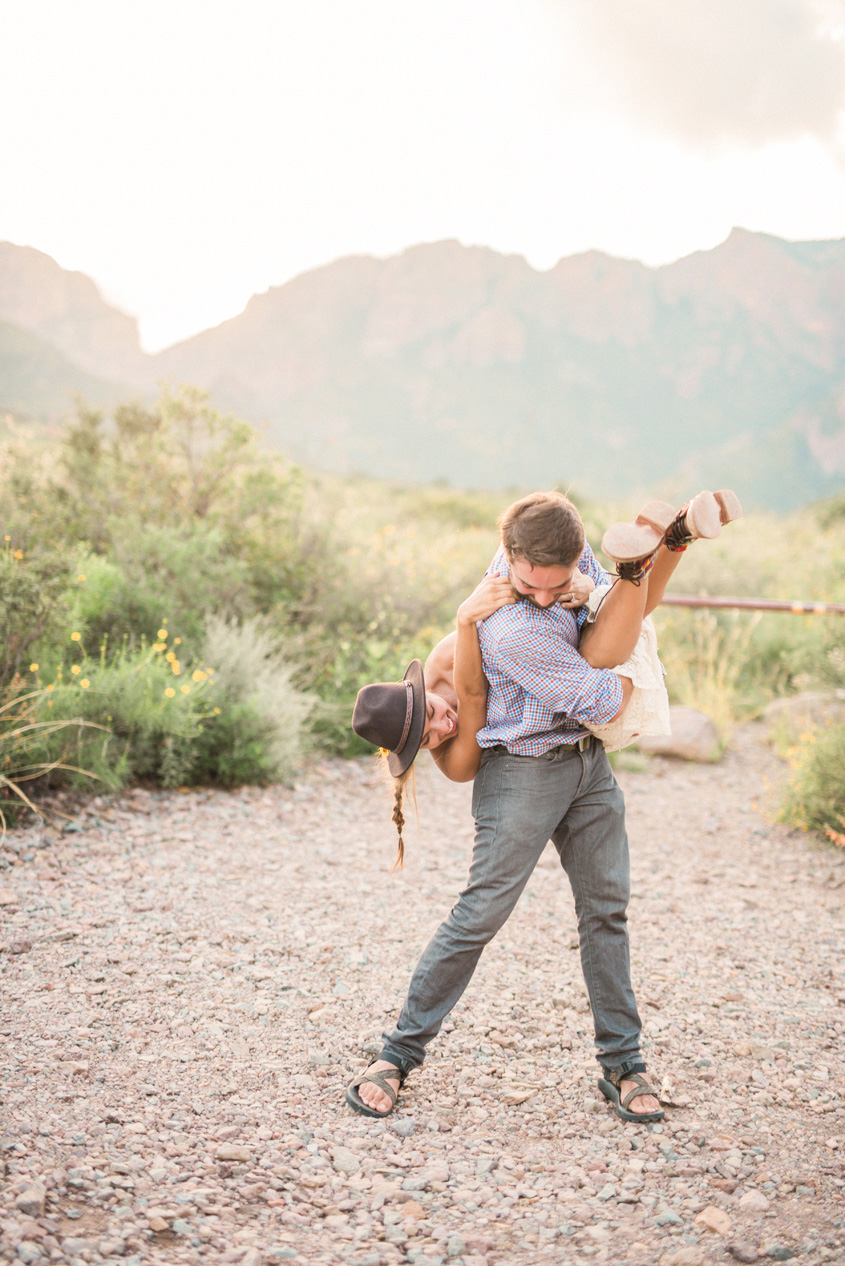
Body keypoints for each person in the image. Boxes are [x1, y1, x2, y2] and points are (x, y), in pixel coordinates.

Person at [347, 488, 740, 1123]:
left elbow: (548, 548)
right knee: (478, 916)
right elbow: (533, 705)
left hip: (587, 762)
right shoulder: (497, 633)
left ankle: (623, 1063)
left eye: (433, 715)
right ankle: (397, 1054)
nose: (441, 724)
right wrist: (475, 620)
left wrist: (585, 594)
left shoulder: (535, 555)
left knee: (606, 912)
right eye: (429, 734)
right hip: (522, 773)